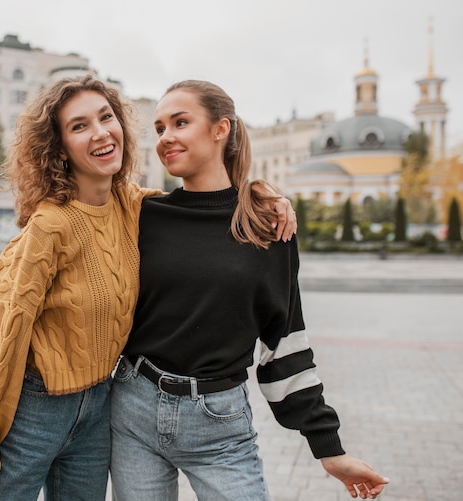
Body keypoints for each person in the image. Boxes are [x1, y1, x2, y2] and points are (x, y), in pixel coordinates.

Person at [0, 75, 296, 501]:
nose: (100, 132)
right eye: (79, 126)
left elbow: (205, 203)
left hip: (100, 409)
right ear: (58, 149)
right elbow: (5, 343)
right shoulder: (49, 227)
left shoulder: (133, 206)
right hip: (35, 411)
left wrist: (262, 194)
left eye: (105, 117)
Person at [110, 80, 390, 501]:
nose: (166, 137)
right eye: (160, 128)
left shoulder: (266, 226)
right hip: (133, 408)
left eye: (180, 122)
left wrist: (328, 448)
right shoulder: (144, 215)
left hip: (218, 423)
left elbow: (285, 340)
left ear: (221, 128)